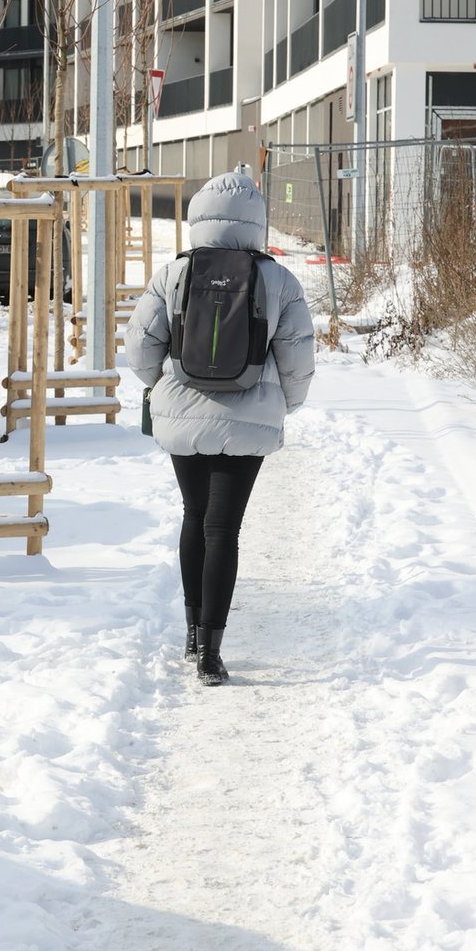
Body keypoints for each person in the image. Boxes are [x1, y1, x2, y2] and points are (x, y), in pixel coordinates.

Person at [124, 169, 315, 685]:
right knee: (223, 529)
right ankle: (211, 650)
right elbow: (296, 358)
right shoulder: (278, 279)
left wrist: (161, 385)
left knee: (194, 515)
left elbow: (140, 347)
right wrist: (284, 405)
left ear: (198, 217)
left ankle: (190, 633)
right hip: (248, 417)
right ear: (256, 220)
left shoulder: (174, 274)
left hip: (182, 412)